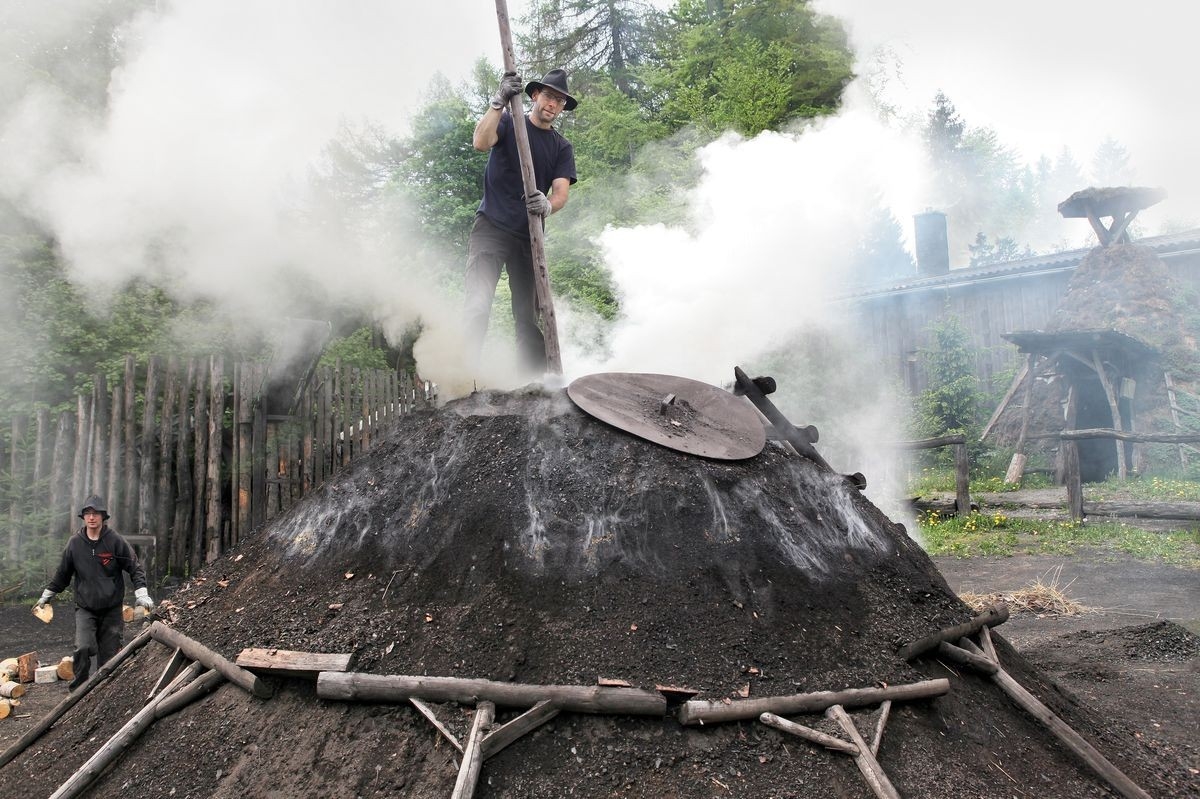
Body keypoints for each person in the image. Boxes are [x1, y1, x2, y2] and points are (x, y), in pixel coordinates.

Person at [463, 67, 578, 377]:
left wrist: (547, 207)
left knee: (527, 317)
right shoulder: (508, 123)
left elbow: (560, 194)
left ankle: (532, 386)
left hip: (530, 237)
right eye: (550, 97)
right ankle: (462, 374)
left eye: (560, 101)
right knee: (477, 302)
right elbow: (480, 142)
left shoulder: (561, 147)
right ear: (535, 95)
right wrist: (498, 100)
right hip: (491, 227)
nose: (553, 105)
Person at [34, 495, 154, 690]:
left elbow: (134, 566)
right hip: (85, 608)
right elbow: (62, 574)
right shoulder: (75, 543)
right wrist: (47, 595)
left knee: (109, 658)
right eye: (88, 514)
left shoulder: (115, 541)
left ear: (103, 517)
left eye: (95, 514)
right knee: (82, 647)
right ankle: (78, 691)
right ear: (83, 517)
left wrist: (141, 593)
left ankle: (104, 694)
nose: (91, 518)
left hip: (112, 610)